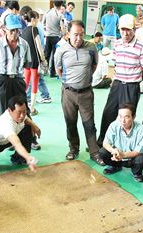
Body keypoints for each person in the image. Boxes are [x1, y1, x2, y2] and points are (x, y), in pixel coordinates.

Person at [55, 20, 104, 166]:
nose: (78, 38)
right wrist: (70, 82)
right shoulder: (61, 50)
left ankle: (94, 152)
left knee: (89, 124)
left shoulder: (91, 47)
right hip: (68, 93)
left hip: (86, 93)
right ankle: (73, 149)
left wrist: (84, 80)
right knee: (70, 123)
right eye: (75, 35)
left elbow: (94, 65)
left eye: (81, 35)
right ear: (68, 34)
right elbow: (58, 69)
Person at [97, 14, 143, 146]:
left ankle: (124, 146)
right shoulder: (118, 44)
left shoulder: (141, 47)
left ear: (134, 30)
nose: (125, 33)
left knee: (126, 118)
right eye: (122, 30)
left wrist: (134, 80)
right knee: (108, 112)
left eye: (128, 30)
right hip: (117, 84)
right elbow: (115, 63)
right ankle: (103, 141)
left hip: (131, 87)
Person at [0, 95, 40, 173]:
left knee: (28, 127)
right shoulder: (6, 124)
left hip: (6, 140)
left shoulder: (20, 114)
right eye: (19, 112)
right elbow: (17, 144)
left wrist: (35, 126)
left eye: (24, 111)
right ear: (9, 110)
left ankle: (18, 158)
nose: (22, 115)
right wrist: (28, 158)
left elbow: (26, 118)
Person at [0, 13, 31, 114]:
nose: (15, 33)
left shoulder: (24, 45)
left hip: (18, 80)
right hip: (2, 80)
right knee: (4, 113)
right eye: (12, 30)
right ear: (4, 29)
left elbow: (27, 64)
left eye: (17, 30)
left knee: (23, 112)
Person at [99, 103, 143, 182]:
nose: (122, 120)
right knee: (103, 152)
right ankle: (115, 166)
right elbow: (105, 143)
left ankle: (136, 173)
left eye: (126, 117)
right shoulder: (114, 125)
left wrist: (123, 155)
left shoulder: (141, 129)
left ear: (133, 117)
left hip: (132, 158)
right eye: (120, 116)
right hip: (117, 157)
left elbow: (139, 150)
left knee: (141, 158)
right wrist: (113, 151)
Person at [21, 10, 47, 115]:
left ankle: (23, 105)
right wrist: (44, 59)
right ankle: (31, 108)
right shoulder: (34, 29)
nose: (38, 21)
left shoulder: (24, 30)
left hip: (26, 61)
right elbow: (39, 46)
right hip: (35, 60)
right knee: (34, 83)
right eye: (37, 19)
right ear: (33, 19)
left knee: (26, 83)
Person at [43, 0, 64, 77]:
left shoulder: (47, 12)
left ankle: (44, 71)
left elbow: (43, 23)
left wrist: (47, 30)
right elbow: (62, 28)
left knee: (47, 54)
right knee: (56, 55)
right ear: (61, 5)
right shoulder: (60, 14)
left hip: (48, 36)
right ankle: (52, 72)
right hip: (56, 37)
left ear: (54, 4)